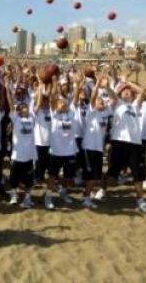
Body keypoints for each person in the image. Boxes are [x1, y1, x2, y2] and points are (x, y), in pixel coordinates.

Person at [100, 76, 146, 213]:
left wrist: (128, 83)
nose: (127, 92)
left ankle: (140, 199)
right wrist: (107, 87)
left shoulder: (135, 106)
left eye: (129, 91)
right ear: (120, 94)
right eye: (124, 91)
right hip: (118, 142)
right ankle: (102, 189)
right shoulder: (118, 103)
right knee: (112, 174)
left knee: (138, 174)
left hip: (134, 144)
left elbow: (142, 93)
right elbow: (112, 95)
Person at [45, 74, 81, 210]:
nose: (63, 103)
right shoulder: (54, 114)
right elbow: (52, 98)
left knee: (67, 176)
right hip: (56, 151)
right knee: (53, 176)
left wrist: (77, 84)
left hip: (70, 150)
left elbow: (76, 98)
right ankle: (48, 196)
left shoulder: (71, 112)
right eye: (60, 102)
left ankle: (63, 191)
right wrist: (54, 83)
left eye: (64, 102)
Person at [4, 75, 37, 208]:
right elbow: (11, 103)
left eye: (26, 107)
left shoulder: (32, 118)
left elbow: (36, 102)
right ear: (18, 111)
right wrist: (7, 87)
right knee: (14, 179)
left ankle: (28, 197)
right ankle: (14, 194)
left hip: (29, 155)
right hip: (17, 156)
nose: (24, 108)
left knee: (29, 180)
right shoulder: (16, 119)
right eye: (22, 107)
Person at [81, 74, 113, 209]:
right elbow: (93, 97)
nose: (101, 102)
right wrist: (97, 83)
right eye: (99, 101)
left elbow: (113, 98)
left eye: (102, 101)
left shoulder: (106, 112)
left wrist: (107, 86)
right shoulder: (91, 112)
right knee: (92, 176)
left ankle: (86, 195)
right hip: (89, 147)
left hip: (99, 149)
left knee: (95, 176)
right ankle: (86, 197)